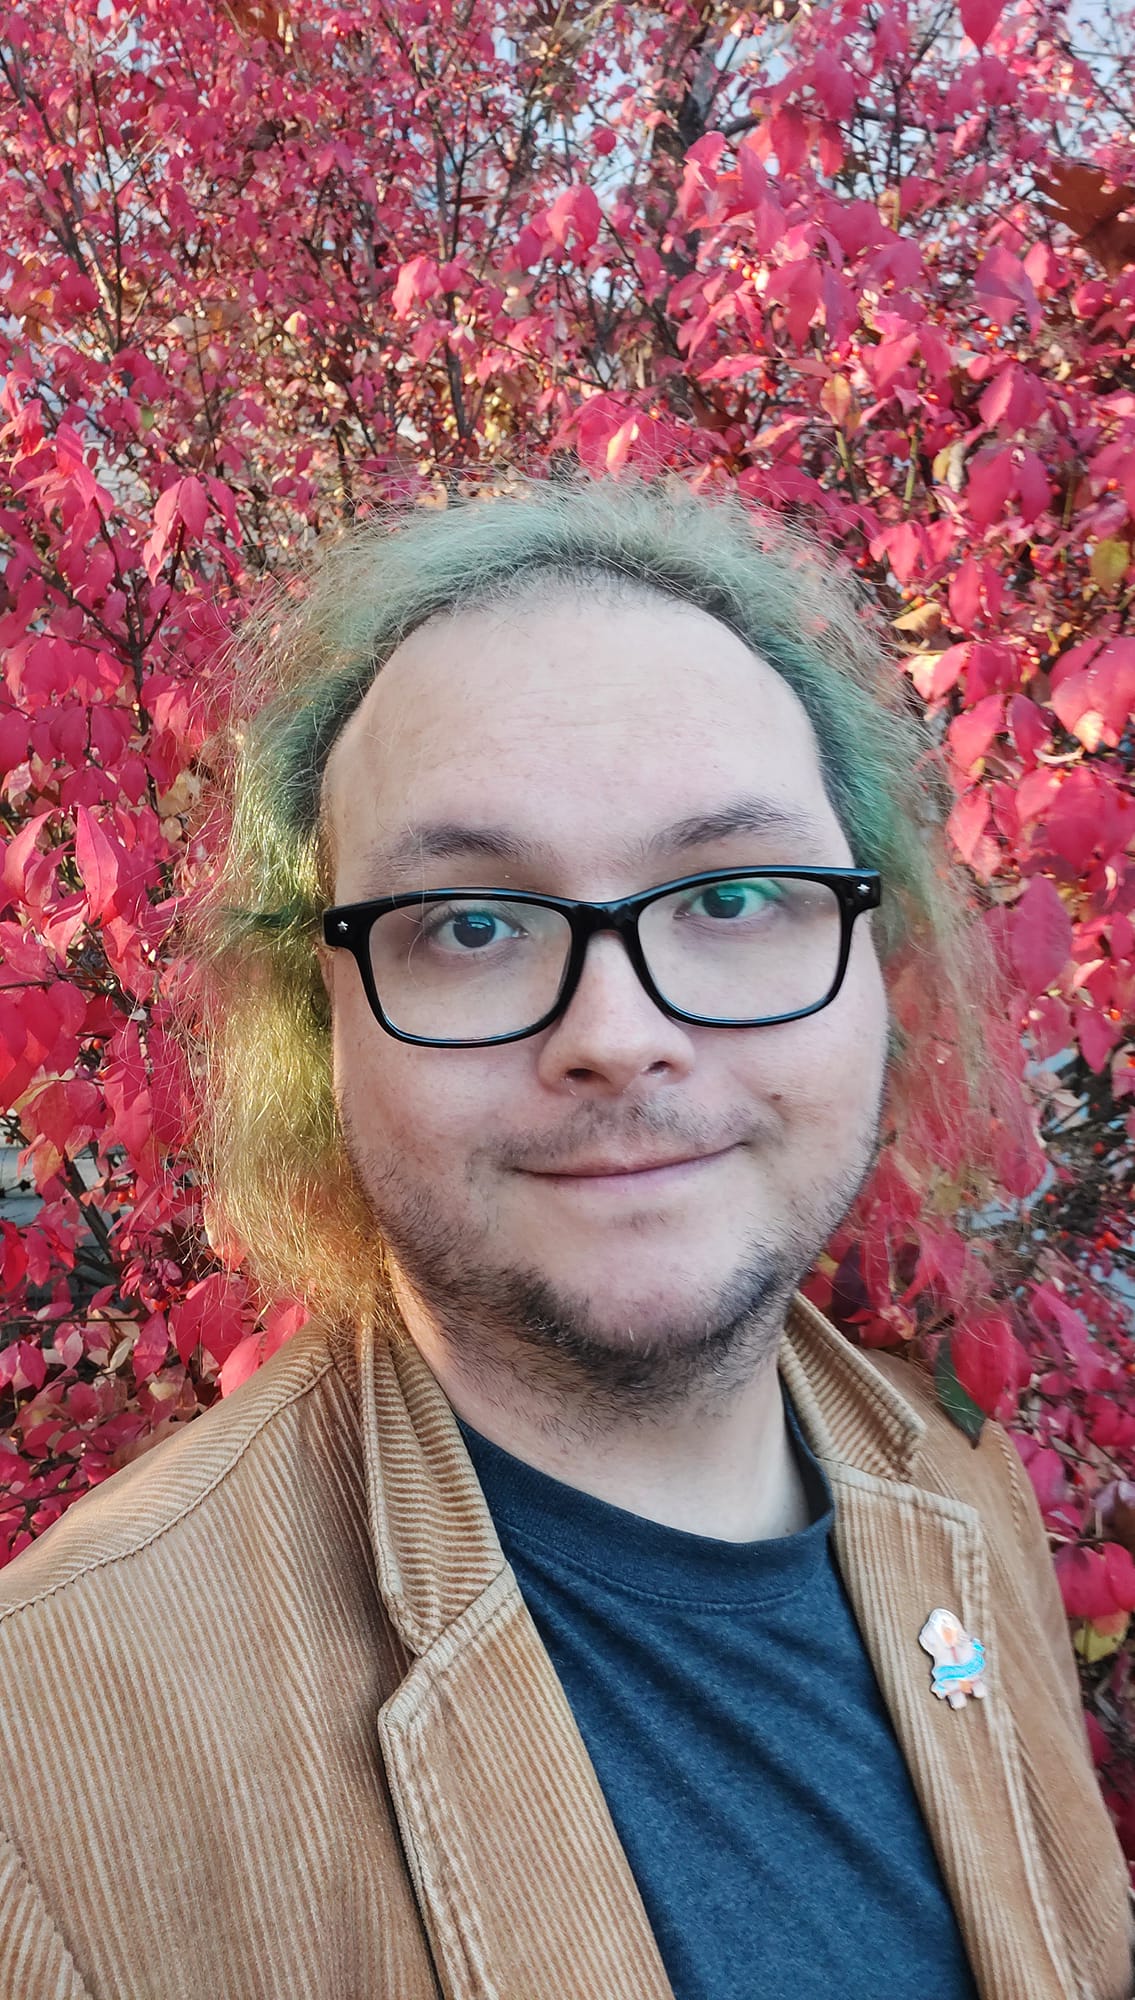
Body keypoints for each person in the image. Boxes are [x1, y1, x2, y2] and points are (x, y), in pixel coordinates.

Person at [0, 476, 1129, 2000]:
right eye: (468, 924)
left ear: (881, 965)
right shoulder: (50, 1774)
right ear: (317, 1026)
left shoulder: (958, 1482)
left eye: (733, 893)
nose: (619, 1033)